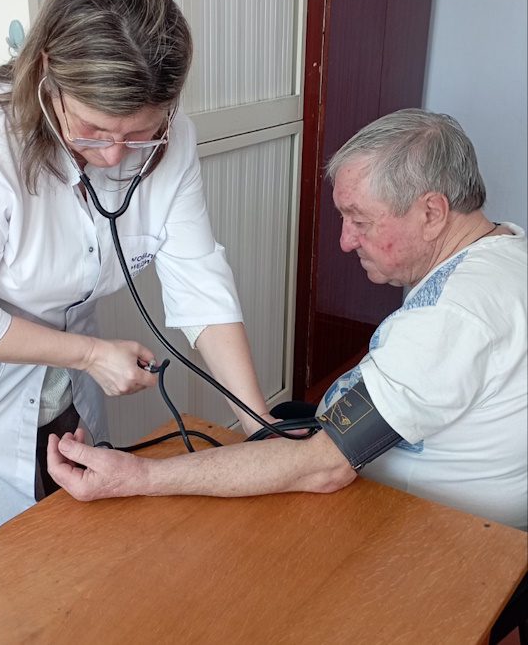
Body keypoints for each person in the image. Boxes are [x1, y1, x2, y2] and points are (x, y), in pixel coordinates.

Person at [48, 109, 527, 530]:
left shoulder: (453, 315)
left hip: (436, 529)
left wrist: (140, 477)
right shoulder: (506, 251)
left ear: (432, 212)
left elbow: (324, 468)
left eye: (360, 221)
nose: (345, 241)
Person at [0, 0, 275, 542]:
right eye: (93, 130)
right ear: (47, 74)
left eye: (138, 135)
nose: (114, 157)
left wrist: (259, 425)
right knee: (13, 562)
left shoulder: (174, 139)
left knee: (86, 546)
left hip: (71, 387)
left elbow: (199, 279)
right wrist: (90, 355)